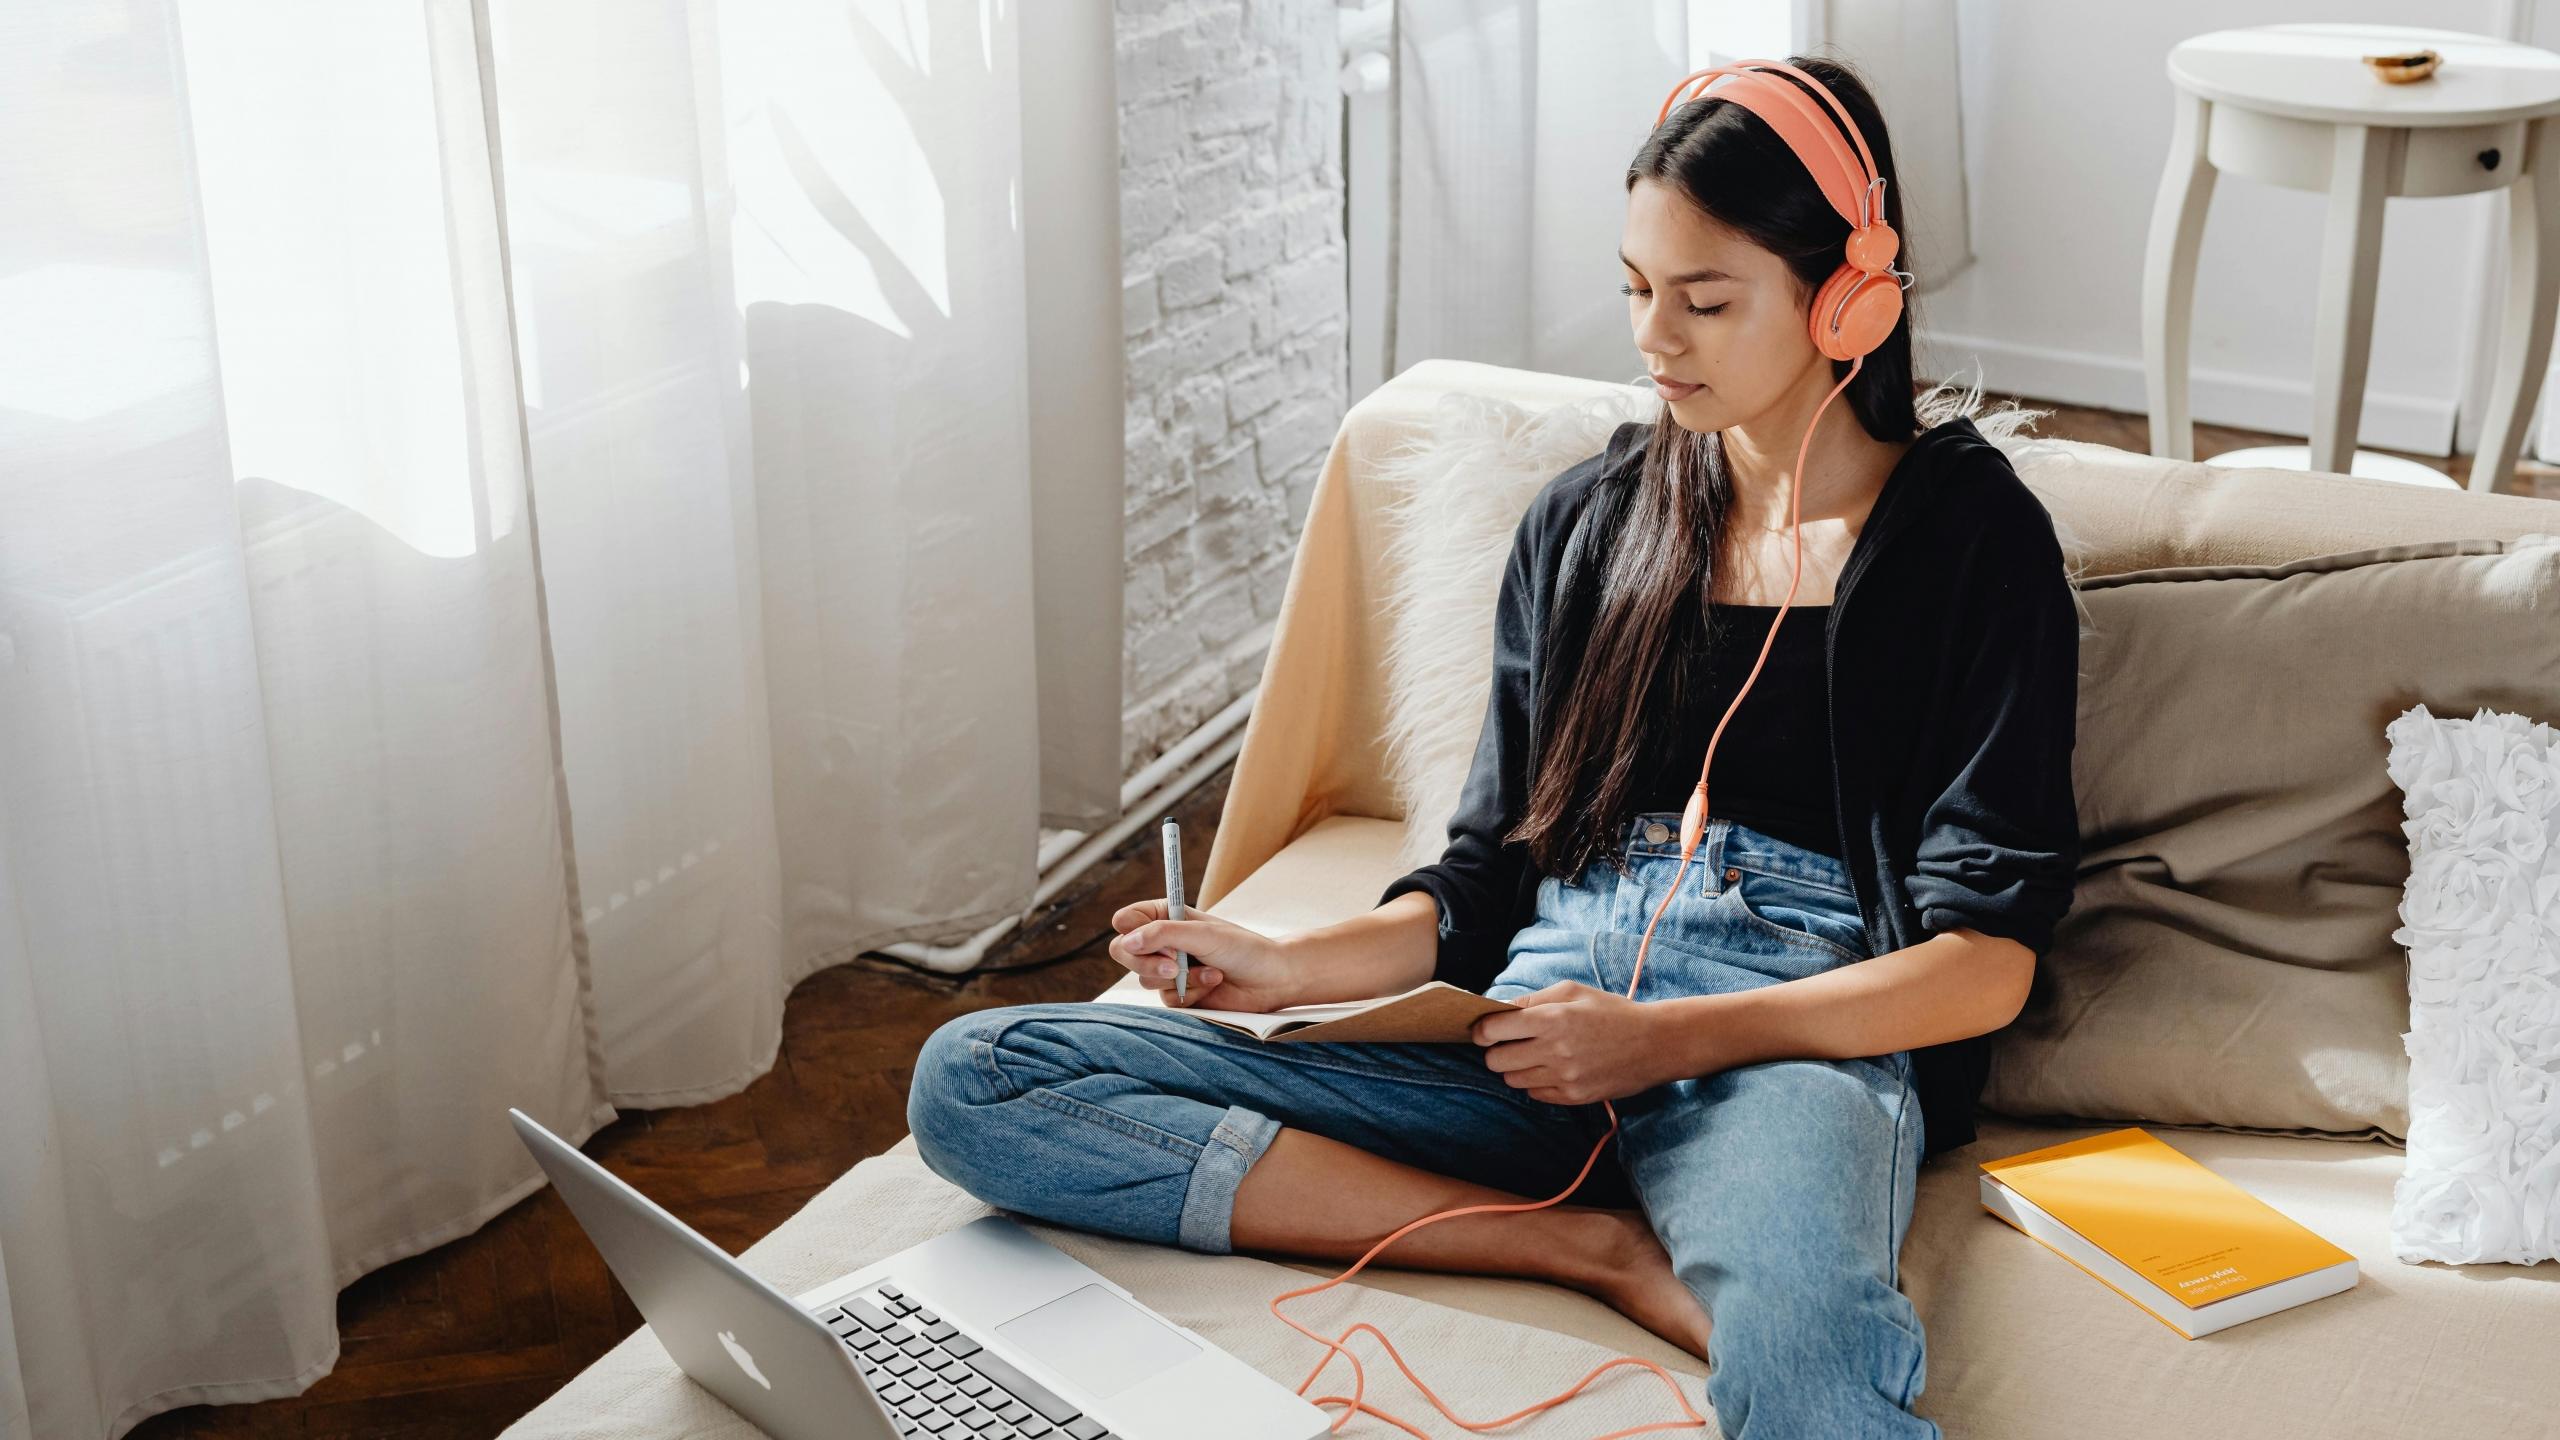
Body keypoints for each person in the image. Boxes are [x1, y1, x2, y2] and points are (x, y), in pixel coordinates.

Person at [905, 53, 2082, 1440]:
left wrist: (1662, 1042)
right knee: (976, 1083)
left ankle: (1667, 1229)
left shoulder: (1971, 542)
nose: (1656, 341)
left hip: (1782, 1047)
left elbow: (1985, 964)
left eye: (1705, 301)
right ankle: (1584, 1247)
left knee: (1815, 1379)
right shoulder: (1588, 522)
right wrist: (1282, 964)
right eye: (1639, 289)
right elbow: (1484, 880)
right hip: (1532, 1031)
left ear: (1847, 298)